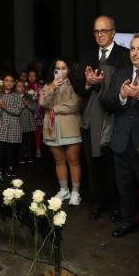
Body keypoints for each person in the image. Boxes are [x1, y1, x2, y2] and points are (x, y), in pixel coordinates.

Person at [101, 32, 139, 237]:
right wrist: (122, 96)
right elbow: (106, 101)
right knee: (124, 184)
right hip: (121, 140)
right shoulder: (120, 72)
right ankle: (128, 221)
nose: (135, 53)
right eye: (132, 48)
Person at [78, 15, 128, 220]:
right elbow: (77, 85)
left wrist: (102, 84)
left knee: (114, 167)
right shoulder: (87, 56)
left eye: (104, 31)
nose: (99, 35)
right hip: (93, 119)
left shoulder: (124, 55)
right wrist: (89, 83)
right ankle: (97, 203)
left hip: (116, 119)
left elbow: (125, 83)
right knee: (93, 164)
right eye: (96, 32)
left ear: (113, 32)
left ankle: (117, 206)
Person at [39, 58, 82, 205]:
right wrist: (52, 88)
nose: (61, 71)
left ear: (68, 70)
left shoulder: (75, 86)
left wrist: (54, 109)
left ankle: (76, 192)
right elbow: (43, 103)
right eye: (58, 68)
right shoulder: (48, 85)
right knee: (59, 160)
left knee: (73, 160)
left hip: (70, 127)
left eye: (64, 68)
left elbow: (74, 105)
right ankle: (64, 190)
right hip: (51, 129)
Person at [0, 72, 23, 176]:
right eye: (7, 81)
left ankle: (10, 167)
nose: (9, 83)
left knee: (10, 147)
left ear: (14, 83)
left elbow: (18, 112)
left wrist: (5, 107)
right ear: (3, 82)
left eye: (11, 81)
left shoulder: (17, 96)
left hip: (12, 125)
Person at [16, 79, 37, 164]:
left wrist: (27, 104)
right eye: (19, 86)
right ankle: (20, 157)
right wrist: (20, 107)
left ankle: (29, 156)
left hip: (28, 122)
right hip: (18, 122)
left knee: (28, 141)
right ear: (15, 87)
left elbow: (34, 108)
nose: (21, 88)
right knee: (20, 141)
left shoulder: (29, 96)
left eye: (22, 86)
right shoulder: (13, 96)